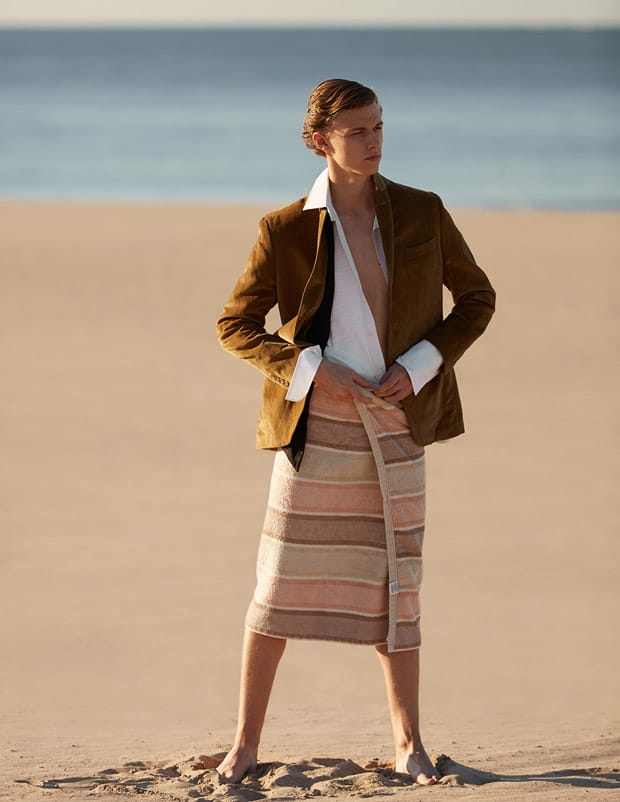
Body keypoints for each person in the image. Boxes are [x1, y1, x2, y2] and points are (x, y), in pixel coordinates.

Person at [213, 78, 495, 786]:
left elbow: (477, 298)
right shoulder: (284, 229)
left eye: (379, 127)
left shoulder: (423, 211)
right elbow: (235, 325)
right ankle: (244, 744)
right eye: (358, 131)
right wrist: (311, 370)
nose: (374, 142)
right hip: (316, 426)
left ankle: (409, 743)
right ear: (320, 141)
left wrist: (420, 364)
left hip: (397, 418)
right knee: (278, 588)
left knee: (397, 585)